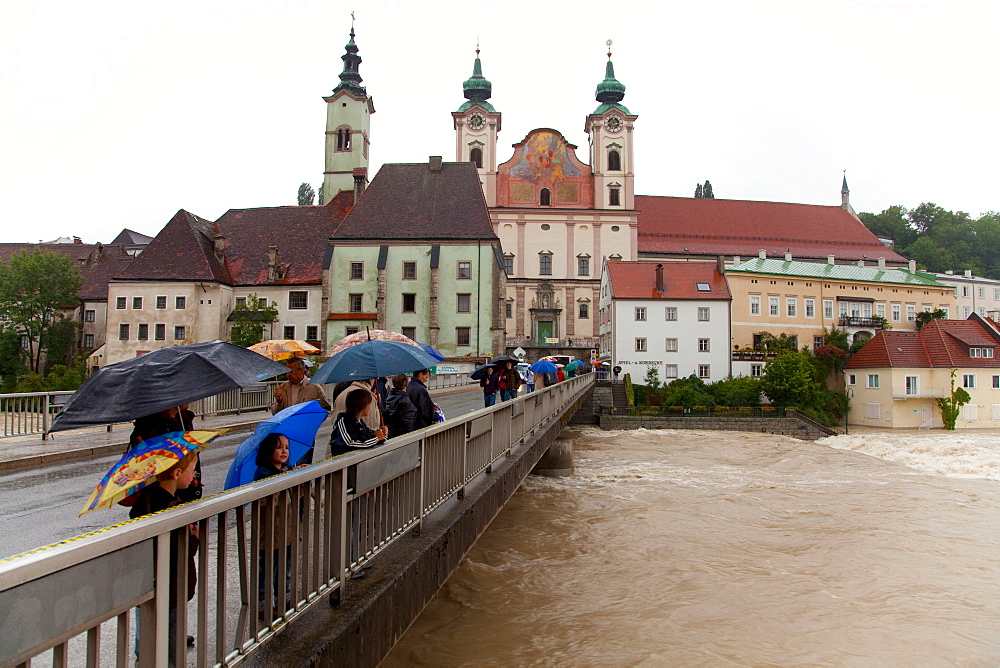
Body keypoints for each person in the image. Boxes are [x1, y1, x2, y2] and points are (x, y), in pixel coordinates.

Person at [129, 452, 200, 664]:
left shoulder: (147, 500)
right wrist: (193, 537)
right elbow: (183, 550)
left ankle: (144, 652)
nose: (194, 476)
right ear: (177, 473)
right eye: (192, 471)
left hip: (148, 580)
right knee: (171, 636)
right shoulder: (171, 508)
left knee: (148, 621)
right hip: (171, 584)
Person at [126, 404, 202, 504]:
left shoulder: (183, 419)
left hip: (183, 489)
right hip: (167, 496)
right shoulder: (152, 427)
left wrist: (191, 477)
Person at [252, 433, 294, 617]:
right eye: (279, 447)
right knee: (266, 568)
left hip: (285, 530)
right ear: (269, 451)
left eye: (286, 447)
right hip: (269, 532)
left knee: (284, 567)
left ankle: (283, 598)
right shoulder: (263, 473)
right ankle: (262, 604)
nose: (284, 451)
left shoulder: (284, 470)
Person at [330, 389, 388, 456]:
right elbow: (350, 443)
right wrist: (376, 438)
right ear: (363, 406)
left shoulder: (359, 422)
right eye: (369, 404)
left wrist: (382, 434)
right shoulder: (344, 421)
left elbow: (369, 435)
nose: (370, 408)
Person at [383, 374, 417, 438]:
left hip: (390, 432)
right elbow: (408, 422)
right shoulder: (405, 401)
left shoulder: (389, 395)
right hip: (401, 435)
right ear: (406, 384)